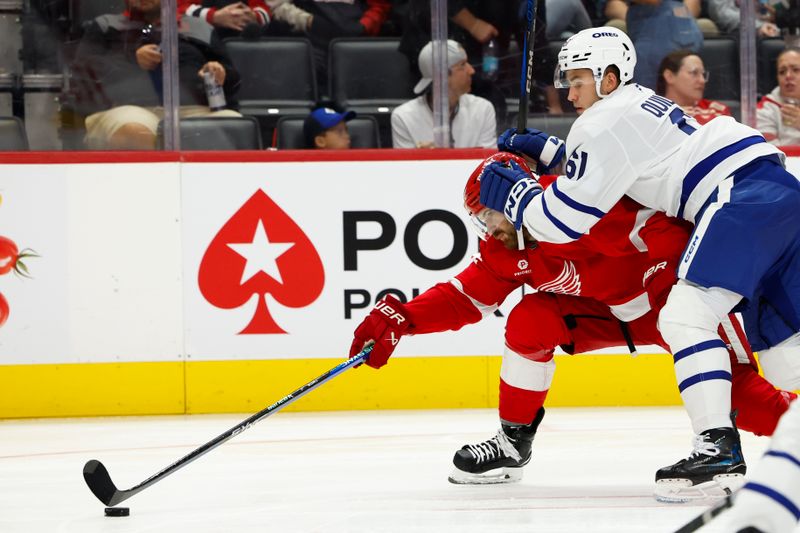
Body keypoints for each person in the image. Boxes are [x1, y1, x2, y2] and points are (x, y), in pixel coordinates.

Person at [477, 27, 800, 503]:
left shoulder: (602, 120)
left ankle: (717, 449)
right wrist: (550, 153)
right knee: (783, 348)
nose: (570, 92)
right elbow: (624, 167)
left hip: (737, 198)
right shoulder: (636, 103)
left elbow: (563, 219)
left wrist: (517, 195)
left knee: (684, 317)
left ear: (609, 76)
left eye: (579, 79)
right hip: (777, 191)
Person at [349, 151, 795, 489]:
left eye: (489, 215)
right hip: (603, 313)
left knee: (730, 384)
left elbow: (665, 227)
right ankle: (511, 444)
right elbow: (465, 297)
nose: (489, 229)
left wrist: (667, 284)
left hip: (664, 299)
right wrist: (402, 320)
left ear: (512, 197)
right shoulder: (505, 249)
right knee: (529, 320)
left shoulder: (576, 206)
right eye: (480, 221)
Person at [70, 0, 242, 150]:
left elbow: (233, 82)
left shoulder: (199, 27)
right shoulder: (106, 25)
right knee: (135, 130)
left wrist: (220, 72)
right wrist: (131, 60)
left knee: (233, 124)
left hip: (196, 110)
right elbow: (84, 75)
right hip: (123, 109)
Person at [391, 39, 496, 149]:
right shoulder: (404, 117)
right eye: (463, 65)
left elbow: (488, 162)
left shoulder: (482, 109)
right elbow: (405, 165)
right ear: (442, 76)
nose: (471, 70)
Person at [656, 49, 732, 125]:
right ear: (669, 76)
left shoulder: (718, 111)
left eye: (703, 74)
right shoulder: (652, 114)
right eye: (694, 73)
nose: (702, 80)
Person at [757, 47, 800, 146]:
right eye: (782, 72)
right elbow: (770, 153)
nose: (788, 76)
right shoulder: (765, 109)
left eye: (796, 70)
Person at [178, 0, 271, 40]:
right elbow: (177, 8)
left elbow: (264, 10)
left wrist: (253, 16)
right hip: (205, 36)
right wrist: (214, 16)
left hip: (243, 33)